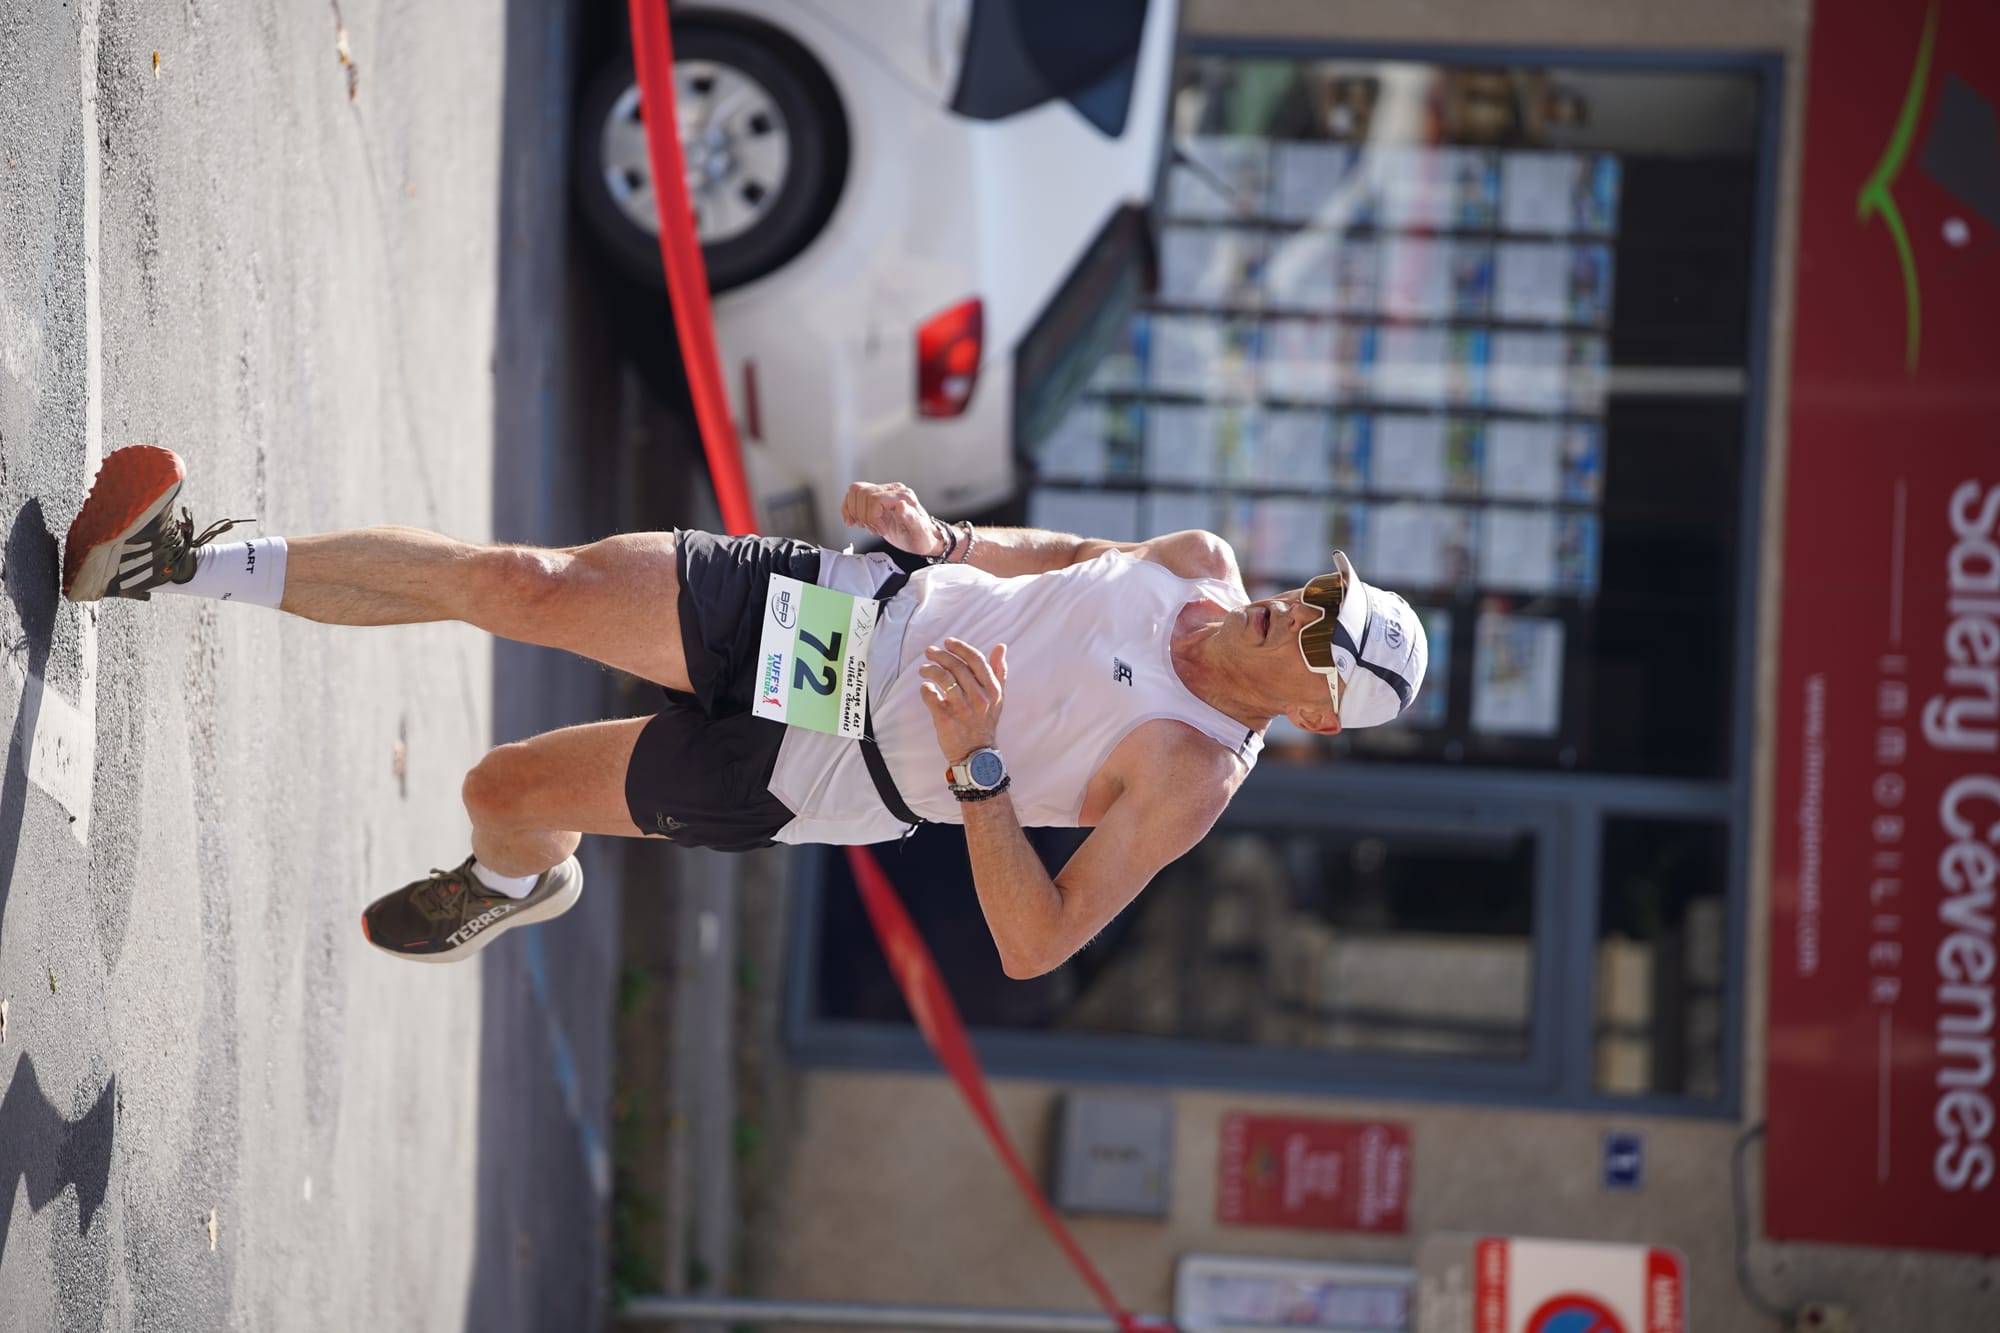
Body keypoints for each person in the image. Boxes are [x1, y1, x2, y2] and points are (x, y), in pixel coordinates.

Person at [61, 446, 1428, 974]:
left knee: (508, 788)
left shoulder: (1189, 779)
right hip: (841, 623)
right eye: (1319, 590)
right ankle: (178, 559)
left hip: (841, 772)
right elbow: (1050, 558)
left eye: (1318, 636)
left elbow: (1034, 941)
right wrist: (937, 532)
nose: (1292, 607)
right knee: (526, 581)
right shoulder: (1198, 561)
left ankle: (515, 878)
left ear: (1311, 712)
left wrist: (983, 767)